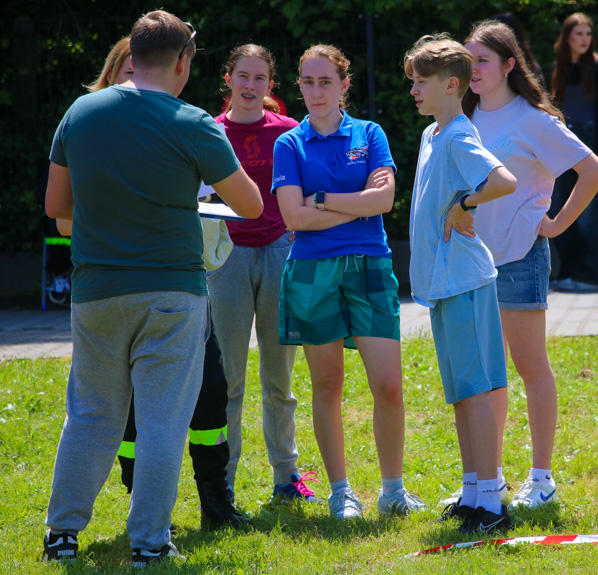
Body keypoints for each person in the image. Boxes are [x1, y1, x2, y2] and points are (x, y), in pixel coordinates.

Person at [42, 10, 262, 567]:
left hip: (95, 291)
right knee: (165, 419)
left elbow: (56, 209)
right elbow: (252, 206)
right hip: (172, 292)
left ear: (131, 56)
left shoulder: (80, 112)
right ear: (183, 63)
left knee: (90, 413)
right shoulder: (193, 122)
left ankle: (61, 535)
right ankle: (149, 544)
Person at [272, 44, 424, 519]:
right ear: (298, 86)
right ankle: (341, 492)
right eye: (309, 82)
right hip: (312, 272)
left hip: (370, 266)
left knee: (389, 386)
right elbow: (291, 215)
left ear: (344, 86)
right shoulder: (289, 144)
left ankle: (393, 490)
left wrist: (319, 201)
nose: (317, 92)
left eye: (326, 82)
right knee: (327, 386)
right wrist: (350, 201)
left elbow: (383, 201)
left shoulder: (370, 133)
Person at [461, 20, 598, 511]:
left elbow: (593, 170)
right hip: (472, 262)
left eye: (481, 60)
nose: (471, 69)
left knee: (529, 367)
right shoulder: (461, 115)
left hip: (520, 257)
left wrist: (558, 223)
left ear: (508, 65)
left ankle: (541, 479)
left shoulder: (534, 119)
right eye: (467, 59)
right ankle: (489, 478)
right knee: (486, 375)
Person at [404, 34, 518, 534]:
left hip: (467, 280)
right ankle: (472, 492)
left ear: (451, 85)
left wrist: (465, 204)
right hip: (443, 284)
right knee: (460, 393)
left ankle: (491, 503)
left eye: (420, 82)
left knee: (475, 391)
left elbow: (504, 181)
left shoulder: (458, 134)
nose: (413, 91)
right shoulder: (433, 135)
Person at [208, 43, 319, 506]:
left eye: (260, 78)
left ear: (270, 85)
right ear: (228, 80)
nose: (250, 86)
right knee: (228, 380)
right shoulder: (209, 132)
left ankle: (286, 478)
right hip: (227, 258)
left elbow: (311, 192)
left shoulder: (290, 132)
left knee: (280, 380)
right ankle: (223, 482)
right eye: (243, 76)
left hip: (279, 253)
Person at [549, 12, 598, 293]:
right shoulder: (559, 68)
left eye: (588, 34)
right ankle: (568, 273)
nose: (584, 40)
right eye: (579, 34)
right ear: (567, 37)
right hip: (563, 146)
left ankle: (590, 277)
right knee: (558, 207)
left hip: (590, 147)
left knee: (590, 214)